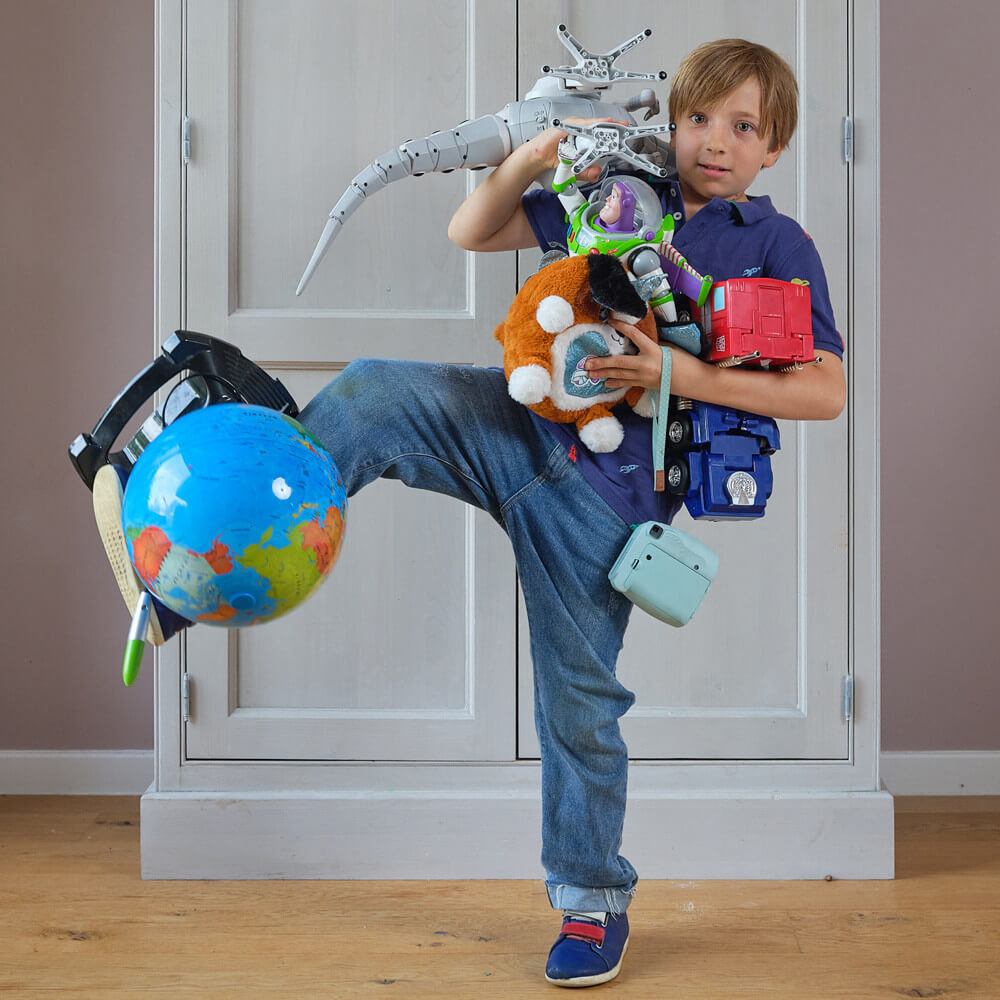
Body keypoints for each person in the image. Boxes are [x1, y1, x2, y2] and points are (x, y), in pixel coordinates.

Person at [94, 37, 845, 989]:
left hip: (605, 505)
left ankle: (588, 906)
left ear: (772, 146)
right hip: (516, 421)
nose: (715, 142)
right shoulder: (617, 179)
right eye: (698, 119)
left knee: (580, 707)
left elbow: (827, 392)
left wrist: (675, 372)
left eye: (743, 127)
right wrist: (531, 158)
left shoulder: (774, 243)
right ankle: (190, 567)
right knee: (369, 391)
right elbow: (471, 231)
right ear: (672, 121)